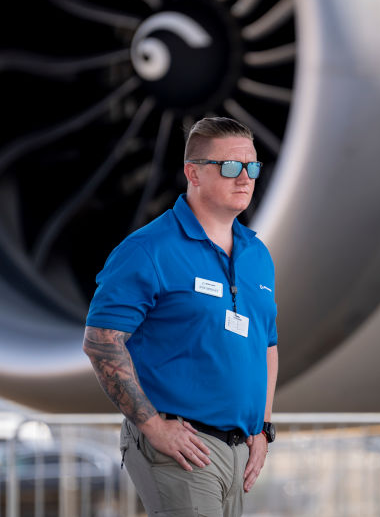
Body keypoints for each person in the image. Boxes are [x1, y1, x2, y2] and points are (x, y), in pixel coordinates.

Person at [83, 117, 278, 517]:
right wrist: (153, 427)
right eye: (229, 167)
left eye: (252, 167)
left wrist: (263, 428)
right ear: (193, 173)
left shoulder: (257, 254)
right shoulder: (148, 249)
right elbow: (101, 341)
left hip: (238, 449)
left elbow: (267, 345)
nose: (245, 178)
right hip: (180, 446)